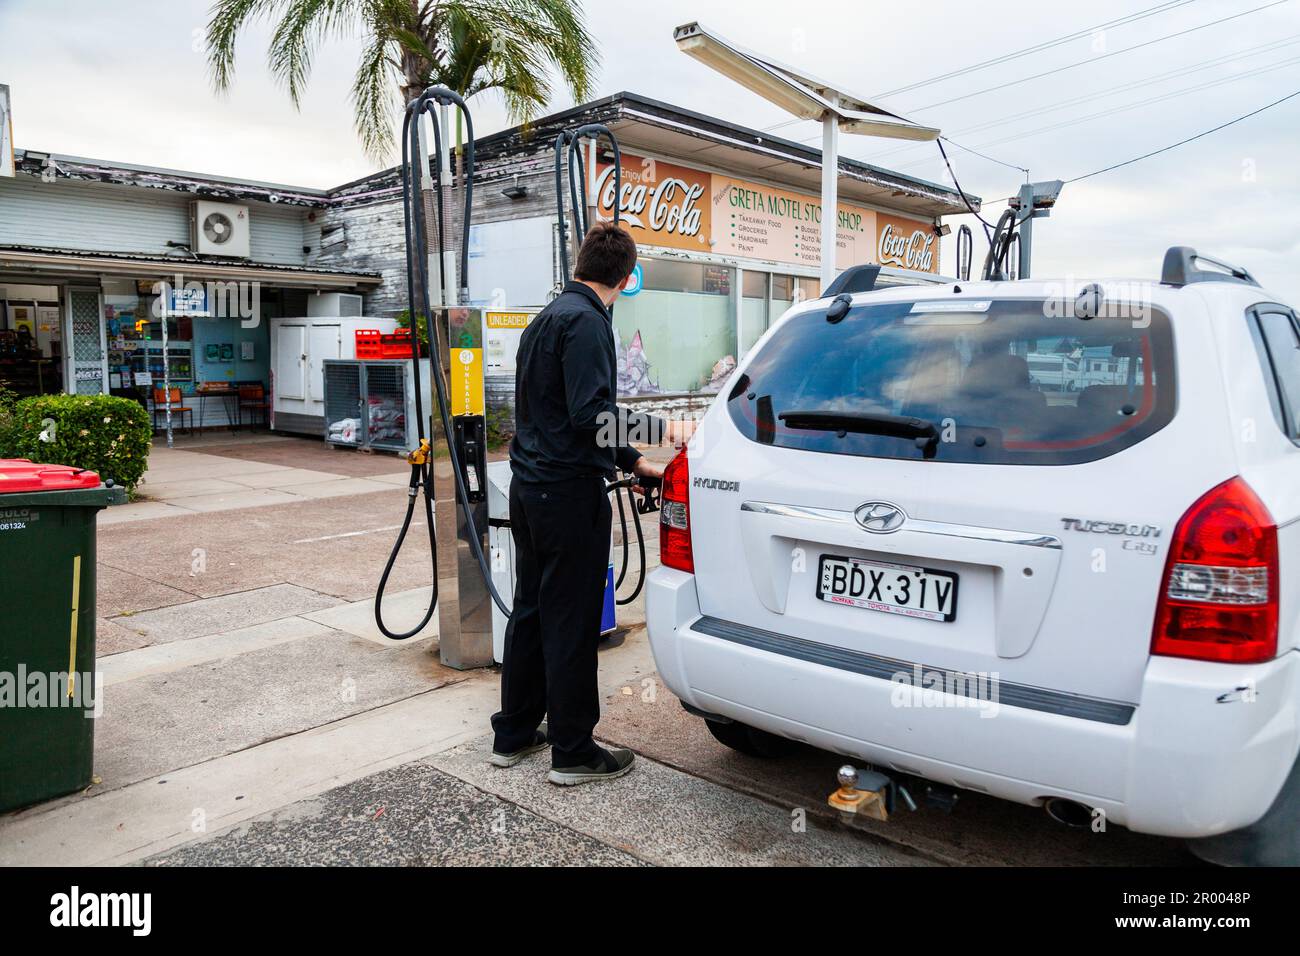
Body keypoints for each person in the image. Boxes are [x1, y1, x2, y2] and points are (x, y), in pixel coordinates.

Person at [489, 222, 687, 785]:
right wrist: (664, 429)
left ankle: (515, 732)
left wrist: (630, 462)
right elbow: (590, 416)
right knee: (572, 622)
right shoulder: (590, 323)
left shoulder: (545, 319)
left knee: (530, 611)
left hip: (529, 491)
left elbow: (562, 417)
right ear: (626, 280)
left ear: (581, 266)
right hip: (567, 497)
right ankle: (574, 752)